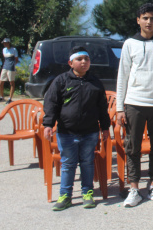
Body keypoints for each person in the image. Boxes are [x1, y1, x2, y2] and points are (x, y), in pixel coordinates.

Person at [115, 3, 153, 207]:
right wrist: (119, 108)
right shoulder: (129, 44)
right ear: (138, 20)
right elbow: (122, 77)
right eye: (145, 18)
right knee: (132, 147)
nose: (148, 22)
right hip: (134, 103)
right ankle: (134, 189)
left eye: (152, 18)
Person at [42, 46, 111, 211]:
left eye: (86, 59)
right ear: (70, 63)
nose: (83, 62)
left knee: (87, 163)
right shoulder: (61, 81)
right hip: (67, 132)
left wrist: (105, 127)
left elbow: (102, 107)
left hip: (90, 132)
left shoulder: (95, 82)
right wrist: (48, 124)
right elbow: (51, 103)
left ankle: (87, 193)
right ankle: (65, 196)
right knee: (68, 164)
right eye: (79, 59)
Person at [0, 38, 18, 104]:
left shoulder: (14, 50)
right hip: (5, 66)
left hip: (11, 67)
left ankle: (10, 98)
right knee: (1, 82)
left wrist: (13, 65)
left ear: (9, 43)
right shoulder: (4, 50)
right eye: (4, 43)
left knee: (11, 82)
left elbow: (16, 59)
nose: (4, 44)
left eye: (5, 43)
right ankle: (1, 97)